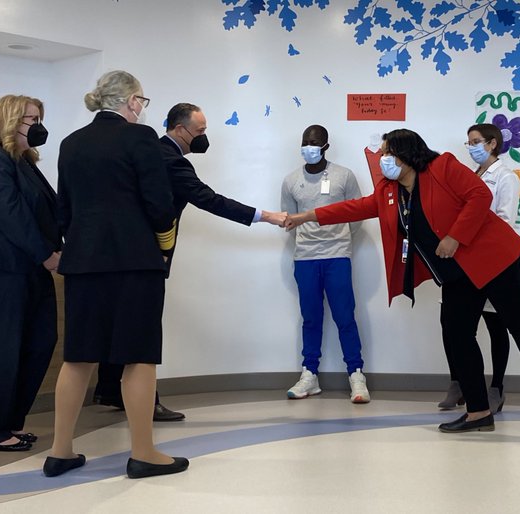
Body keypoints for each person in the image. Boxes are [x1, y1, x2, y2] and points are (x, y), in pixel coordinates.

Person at [285, 128, 520, 443]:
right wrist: (307, 215)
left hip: (491, 258)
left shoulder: (442, 167)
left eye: (387, 153)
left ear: (407, 153)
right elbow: (358, 207)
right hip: (456, 272)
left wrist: (455, 236)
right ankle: (478, 412)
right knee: (457, 335)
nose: (382, 159)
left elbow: (479, 195)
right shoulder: (391, 190)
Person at [93, 102, 286, 419]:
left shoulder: (149, 151)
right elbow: (209, 199)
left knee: (120, 323)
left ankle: (113, 390)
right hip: (146, 256)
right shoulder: (169, 160)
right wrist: (265, 216)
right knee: (142, 330)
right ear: (179, 129)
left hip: (116, 254)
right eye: (200, 131)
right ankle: (144, 402)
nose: (203, 137)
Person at [44, 70, 188, 479]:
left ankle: (60, 451)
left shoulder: (71, 143)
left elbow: (64, 209)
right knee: (138, 357)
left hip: (84, 262)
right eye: (143, 100)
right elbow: (160, 204)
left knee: (78, 356)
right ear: (132, 102)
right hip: (134, 260)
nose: (143, 108)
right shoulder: (141, 139)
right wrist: (163, 247)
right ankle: (143, 452)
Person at [0, 95, 60, 451]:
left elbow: (47, 211)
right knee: (6, 348)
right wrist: (47, 254)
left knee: (40, 342)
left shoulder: (25, 163)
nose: (38, 127)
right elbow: (10, 214)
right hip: (2, 267)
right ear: (8, 122)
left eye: (38, 119)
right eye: (30, 120)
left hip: (29, 267)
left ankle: (10, 423)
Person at [281, 124, 370, 403]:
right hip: (305, 257)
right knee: (311, 317)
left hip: (337, 255)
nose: (309, 147)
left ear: (325, 147)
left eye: (315, 143)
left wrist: (339, 238)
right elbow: (290, 221)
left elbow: (357, 215)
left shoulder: (344, 176)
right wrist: (310, 239)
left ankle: (356, 374)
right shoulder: (291, 180)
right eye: (305, 142)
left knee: (345, 316)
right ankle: (310, 375)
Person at [438, 124, 520, 413]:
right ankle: (458, 382)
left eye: (476, 142)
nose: (471, 146)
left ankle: (496, 386)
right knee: (454, 325)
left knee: (497, 325)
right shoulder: (470, 176)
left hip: (492, 262)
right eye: (469, 142)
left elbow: (504, 222)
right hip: (463, 262)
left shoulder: (506, 177)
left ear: (492, 144)